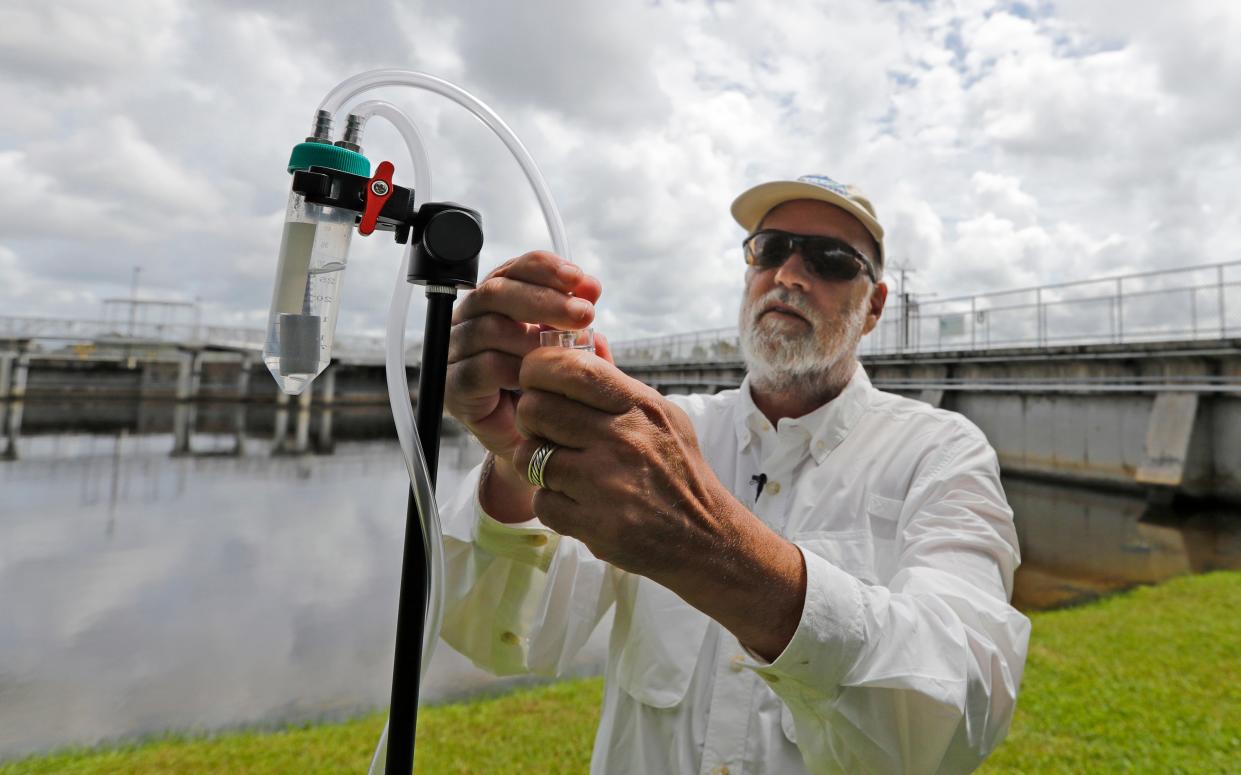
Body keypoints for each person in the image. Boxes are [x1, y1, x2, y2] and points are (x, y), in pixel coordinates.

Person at [439, 174, 1030, 774]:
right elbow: (503, 637)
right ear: (750, 273)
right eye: (770, 249)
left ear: (874, 306)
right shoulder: (662, 434)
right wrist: (520, 462)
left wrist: (711, 548)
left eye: (831, 261)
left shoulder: (941, 451)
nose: (790, 274)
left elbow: (963, 711)